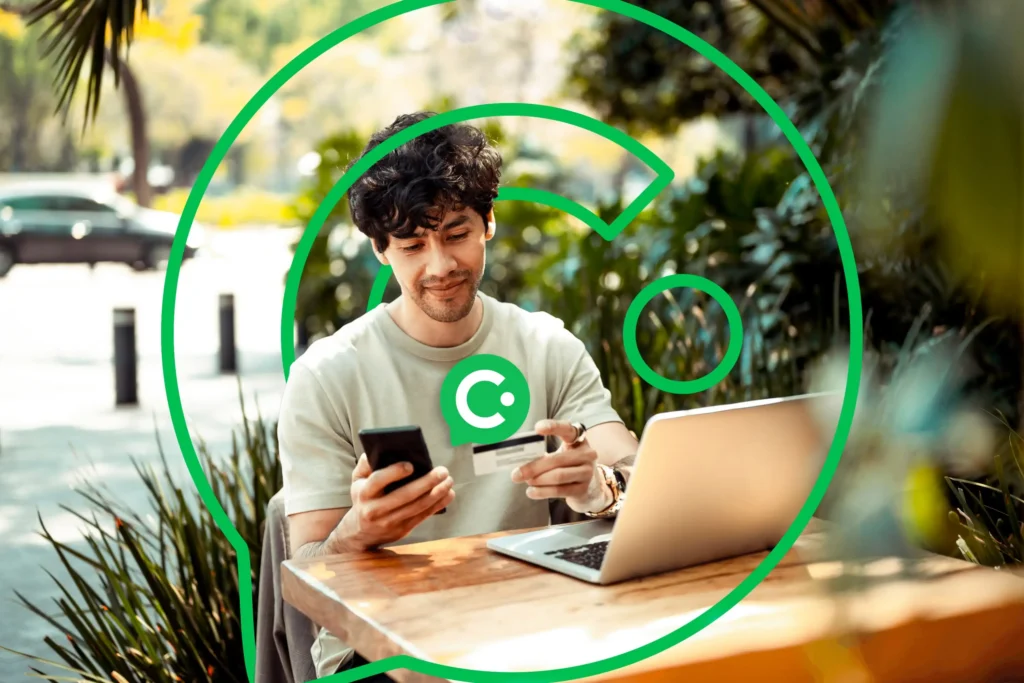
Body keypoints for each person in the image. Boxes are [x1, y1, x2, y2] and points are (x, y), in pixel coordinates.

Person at [277, 111, 639, 679]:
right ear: (380, 248)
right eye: (412, 244)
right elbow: (308, 567)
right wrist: (357, 532)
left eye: (456, 234)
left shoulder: (546, 346)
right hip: (382, 651)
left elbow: (636, 473)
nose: (440, 265)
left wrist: (600, 487)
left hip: (529, 625)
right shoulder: (326, 375)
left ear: (488, 223)